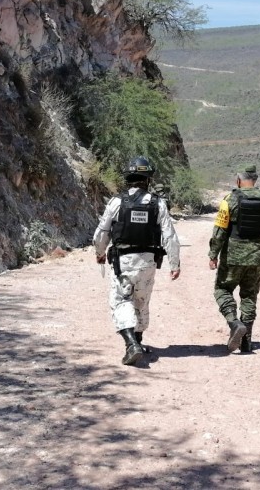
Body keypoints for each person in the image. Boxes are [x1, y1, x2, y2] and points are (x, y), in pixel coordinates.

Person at [93, 156, 181, 366]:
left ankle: (131, 344)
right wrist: (175, 264)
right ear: (148, 179)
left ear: (128, 178)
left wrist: (100, 252)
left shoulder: (116, 202)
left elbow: (101, 232)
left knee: (121, 301)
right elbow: (170, 236)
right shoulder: (157, 203)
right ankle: (138, 343)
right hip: (148, 261)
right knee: (141, 301)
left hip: (123, 261)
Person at [208, 164, 260, 353]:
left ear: (238, 180)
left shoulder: (230, 199)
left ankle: (234, 323)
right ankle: (246, 341)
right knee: (249, 296)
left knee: (222, 290)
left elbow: (219, 231)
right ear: (255, 180)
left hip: (233, 256)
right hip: (257, 257)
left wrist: (213, 254)